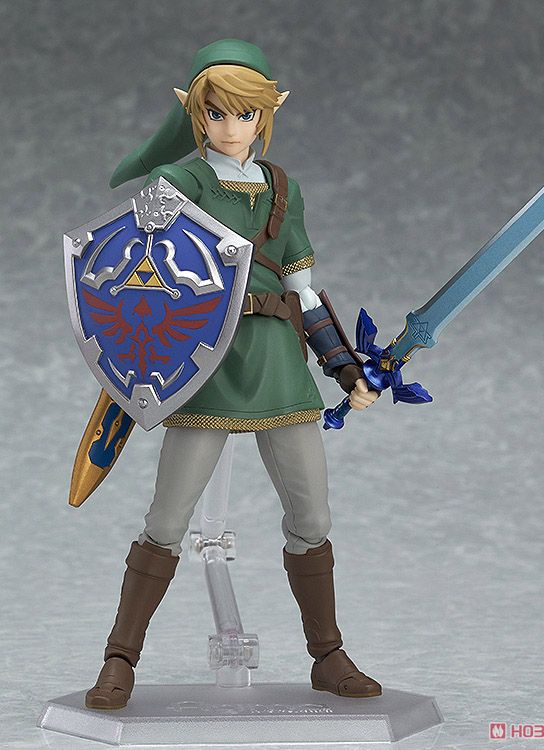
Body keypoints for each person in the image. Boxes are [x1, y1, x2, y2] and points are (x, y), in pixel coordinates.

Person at [85, 38, 382, 710]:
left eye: (245, 115)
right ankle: (119, 659)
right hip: (203, 366)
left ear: (265, 115)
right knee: (167, 521)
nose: (230, 127)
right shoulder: (181, 182)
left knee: (312, 517)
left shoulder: (282, 189)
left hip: (277, 364)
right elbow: (135, 270)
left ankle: (328, 655)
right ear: (197, 115)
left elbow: (304, 292)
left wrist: (343, 368)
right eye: (216, 114)